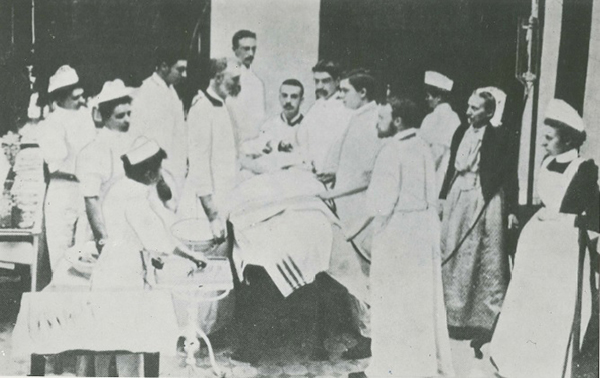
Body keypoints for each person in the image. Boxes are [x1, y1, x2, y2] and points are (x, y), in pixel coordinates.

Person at [490, 99, 599, 378]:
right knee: (528, 303)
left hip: (564, 250)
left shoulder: (585, 170)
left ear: (567, 140)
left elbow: (596, 216)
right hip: (538, 246)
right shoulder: (547, 161)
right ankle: (521, 362)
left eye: (549, 138)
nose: (544, 144)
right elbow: (544, 203)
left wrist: (574, 227)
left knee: (556, 308)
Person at [347, 96, 454, 377]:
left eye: (381, 118)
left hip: (397, 235)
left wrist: (354, 228)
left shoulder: (391, 151)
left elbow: (380, 204)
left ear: (397, 121)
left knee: (390, 301)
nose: (376, 124)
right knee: (416, 304)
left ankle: (387, 369)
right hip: (423, 232)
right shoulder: (423, 147)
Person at [91, 138, 204, 376]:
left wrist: (150, 255)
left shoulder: (119, 187)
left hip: (109, 270)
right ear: (151, 172)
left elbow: (133, 234)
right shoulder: (135, 195)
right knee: (131, 344)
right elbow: (159, 239)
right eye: (159, 168)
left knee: (108, 343)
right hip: (124, 277)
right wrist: (192, 256)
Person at [439, 88, 519, 354]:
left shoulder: (500, 136)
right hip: (458, 197)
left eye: (475, 108)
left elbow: (509, 173)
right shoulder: (461, 132)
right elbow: (452, 165)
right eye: (468, 106)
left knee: (484, 256)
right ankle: (454, 318)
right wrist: (442, 197)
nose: (468, 112)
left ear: (489, 112)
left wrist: (511, 209)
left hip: (485, 198)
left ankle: (483, 321)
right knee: (455, 252)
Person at [317, 69, 384, 360]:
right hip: (348, 207)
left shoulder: (373, 121)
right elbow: (350, 163)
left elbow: (369, 175)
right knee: (355, 275)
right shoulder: (358, 118)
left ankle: (370, 338)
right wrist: (331, 174)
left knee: (364, 276)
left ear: (363, 93)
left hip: (361, 211)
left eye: (345, 91)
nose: (341, 95)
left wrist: (333, 193)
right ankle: (363, 331)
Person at [37, 65, 97, 271]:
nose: (80, 101)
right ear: (60, 98)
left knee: (86, 253)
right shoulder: (50, 124)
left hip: (86, 191)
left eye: (81, 95)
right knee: (61, 256)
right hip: (63, 191)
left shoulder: (87, 116)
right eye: (74, 97)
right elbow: (55, 161)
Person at [180, 57, 241, 241]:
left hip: (222, 197)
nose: (238, 85)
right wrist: (212, 214)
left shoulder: (222, 106)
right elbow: (199, 164)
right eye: (234, 79)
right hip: (204, 206)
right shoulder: (202, 108)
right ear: (218, 77)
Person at [76, 79, 137, 253]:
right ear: (105, 117)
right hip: (100, 231)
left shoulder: (129, 143)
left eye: (129, 114)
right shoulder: (95, 150)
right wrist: (102, 241)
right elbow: (91, 200)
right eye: (120, 116)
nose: (127, 120)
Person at [129, 47, 188, 206]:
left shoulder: (171, 91)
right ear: (164, 66)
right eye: (180, 69)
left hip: (175, 173)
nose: (184, 75)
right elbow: (143, 140)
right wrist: (159, 179)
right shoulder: (148, 92)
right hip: (158, 177)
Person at [295, 60, 353, 175]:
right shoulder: (317, 106)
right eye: (316, 81)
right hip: (308, 170)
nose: (319, 86)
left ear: (337, 82)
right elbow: (301, 137)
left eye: (325, 81)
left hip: (329, 175)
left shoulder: (346, 108)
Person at [240, 78, 305, 175]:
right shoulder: (269, 125)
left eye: (294, 97)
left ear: (301, 100)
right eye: (284, 96)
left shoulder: (307, 126)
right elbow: (257, 147)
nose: (288, 101)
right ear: (279, 97)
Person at [419, 71, 461, 193]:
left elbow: (437, 151)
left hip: (436, 169)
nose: (426, 99)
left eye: (428, 96)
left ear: (439, 97)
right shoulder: (455, 117)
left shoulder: (433, 118)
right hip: (448, 171)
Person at [227, 30, 266, 145]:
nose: (251, 54)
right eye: (246, 49)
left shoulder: (257, 83)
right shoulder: (226, 80)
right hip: (230, 144)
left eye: (254, 49)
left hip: (252, 147)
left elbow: (260, 120)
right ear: (234, 50)